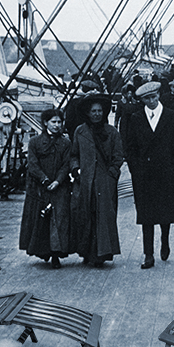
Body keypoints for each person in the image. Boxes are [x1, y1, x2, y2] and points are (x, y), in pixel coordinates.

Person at [124, 81, 174, 269]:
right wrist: (135, 169)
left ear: (159, 95)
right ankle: (148, 254)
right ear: (142, 100)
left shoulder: (172, 117)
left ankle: (165, 241)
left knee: (165, 212)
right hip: (144, 175)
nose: (151, 101)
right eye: (147, 98)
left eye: (153, 97)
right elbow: (130, 147)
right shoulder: (136, 118)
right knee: (146, 214)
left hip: (167, 172)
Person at [70, 94, 124, 267]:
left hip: (104, 182)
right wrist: (76, 170)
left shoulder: (111, 132)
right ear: (87, 113)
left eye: (99, 111)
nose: (96, 114)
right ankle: (86, 252)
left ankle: (102, 254)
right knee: (86, 216)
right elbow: (74, 154)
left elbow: (118, 157)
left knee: (103, 218)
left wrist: (111, 176)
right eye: (93, 111)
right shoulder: (80, 131)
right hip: (85, 181)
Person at [19, 108, 73, 268]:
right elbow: (33, 164)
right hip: (39, 188)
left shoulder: (66, 143)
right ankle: (44, 251)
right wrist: (44, 180)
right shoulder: (35, 142)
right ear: (45, 123)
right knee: (40, 220)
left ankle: (56, 254)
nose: (57, 125)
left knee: (58, 221)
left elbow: (66, 164)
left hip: (59, 187)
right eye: (53, 122)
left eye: (59, 122)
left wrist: (57, 181)